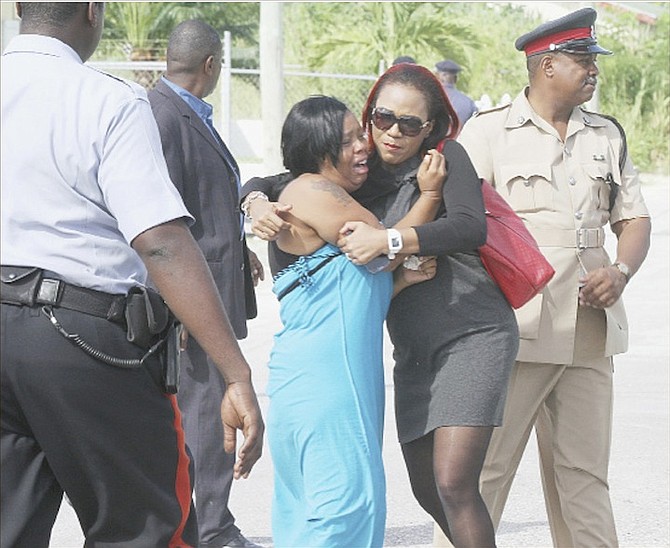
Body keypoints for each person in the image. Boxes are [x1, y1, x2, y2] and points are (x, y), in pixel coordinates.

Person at [1, 4, 263, 547]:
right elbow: (161, 243)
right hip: (79, 337)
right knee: (146, 529)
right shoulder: (105, 99)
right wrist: (235, 372)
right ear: (93, 11)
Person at [244, 63, 519, 547]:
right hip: (409, 351)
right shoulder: (354, 171)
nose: (391, 132)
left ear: (430, 127)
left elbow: (470, 228)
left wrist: (395, 237)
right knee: (422, 488)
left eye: (409, 123)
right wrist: (253, 202)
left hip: (470, 333)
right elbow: (280, 177)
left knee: (452, 483)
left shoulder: (443, 157)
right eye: (381, 118)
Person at [453, 7, 652, 547]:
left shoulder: (606, 135)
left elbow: (634, 219)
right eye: (582, 60)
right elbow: (460, 226)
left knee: (585, 478)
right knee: (485, 474)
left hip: (589, 330)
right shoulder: (489, 132)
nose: (594, 70)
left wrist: (622, 270)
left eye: (593, 60)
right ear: (546, 66)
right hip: (513, 330)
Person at [259, 95, 444, 547]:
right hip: (326, 382)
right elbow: (387, 245)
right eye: (348, 140)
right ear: (319, 149)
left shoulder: (312, 194)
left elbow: (352, 288)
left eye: (359, 134)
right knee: (343, 509)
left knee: (315, 511)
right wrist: (433, 196)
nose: (364, 146)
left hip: (327, 378)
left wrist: (400, 284)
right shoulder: (311, 192)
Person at [147, 20, 263, 548]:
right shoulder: (164, 117)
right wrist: (178, 304)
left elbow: (204, 209)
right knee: (207, 414)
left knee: (209, 407)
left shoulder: (186, 113)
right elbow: (160, 220)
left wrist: (241, 255)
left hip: (212, 287)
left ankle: (208, 522)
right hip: (193, 301)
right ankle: (211, 528)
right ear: (212, 65)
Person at [435, 59, 477, 133]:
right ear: (456, 79)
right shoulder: (468, 102)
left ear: (437, 76)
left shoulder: (430, 96)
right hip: (458, 142)